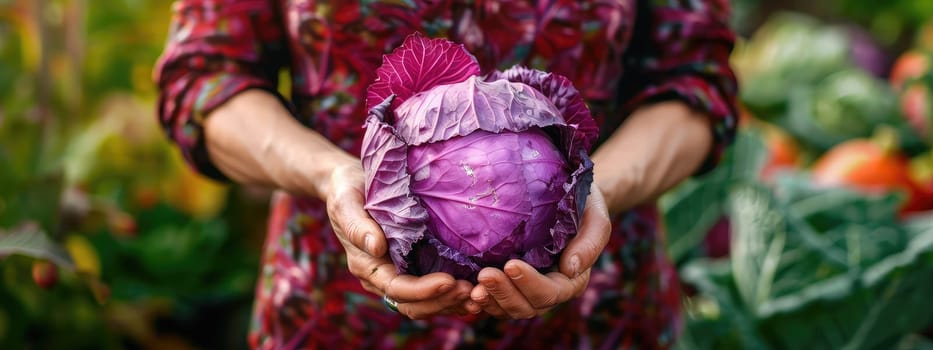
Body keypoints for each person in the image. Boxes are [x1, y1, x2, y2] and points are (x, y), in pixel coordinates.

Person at [153, 0, 738, 349]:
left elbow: (696, 80)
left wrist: (597, 190)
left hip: (600, 323)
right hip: (335, 321)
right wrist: (330, 175)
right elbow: (206, 78)